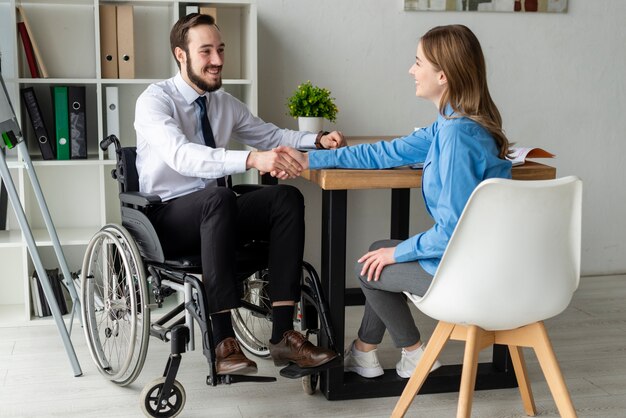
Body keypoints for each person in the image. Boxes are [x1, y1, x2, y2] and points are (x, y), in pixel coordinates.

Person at [277, 24, 512, 379]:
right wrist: (311, 158)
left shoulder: (456, 139)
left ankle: (416, 353)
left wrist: (397, 254)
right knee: (378, 252)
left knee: (369, 265)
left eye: (418, 63)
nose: (411, 70)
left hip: (468, 271)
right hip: (483, 259)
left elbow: (452, 232)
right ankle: (363, 352)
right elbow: (386, 153)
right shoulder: (453, 124)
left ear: (443, 75)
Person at [134, 13, 345, 375]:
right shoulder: (155, 101)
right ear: (180, 55)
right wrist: (251, 158)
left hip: (217, 212)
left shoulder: (223, 103)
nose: (217, 60)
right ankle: (222, 341)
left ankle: (283, 336)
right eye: (206, 51)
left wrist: (316, 139)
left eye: (220, 50)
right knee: (219, 198)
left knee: (285, 199)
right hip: (166, 216)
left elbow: (269, 135)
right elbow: (182, 156)